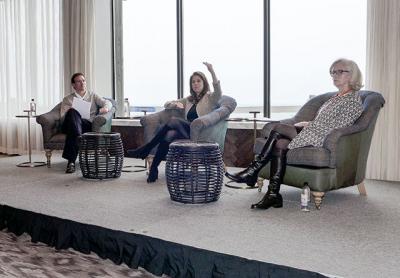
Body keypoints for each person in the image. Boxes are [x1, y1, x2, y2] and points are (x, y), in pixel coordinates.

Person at [225, 58, 364, 210]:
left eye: (340, 71)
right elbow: (323, 119)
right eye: (333, 72)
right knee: (280, 143)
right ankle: (273, 195)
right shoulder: (335, 97)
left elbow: (339, 126)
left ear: (352, 75)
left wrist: (308, 125)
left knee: (278, 128)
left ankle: (252, 171)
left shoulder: (353, 100)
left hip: (321, 136)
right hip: (313, 130)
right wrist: (308, 124)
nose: (335, 75)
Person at [127, 62, 222, 183]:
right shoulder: (188, 100)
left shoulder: (210, 98)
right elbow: (167, 104)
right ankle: (154, 169)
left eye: (198, 81)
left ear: (204, 83)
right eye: (193, 82)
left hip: (200, 132)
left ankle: (146, 149)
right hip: (186, 131)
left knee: (173, 121)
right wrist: (174, 104)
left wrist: (211, 70)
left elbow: (218, 91)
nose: (196, 84)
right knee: (168, 135)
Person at [60, 73, 112, 173]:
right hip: (70, 124)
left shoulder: (93, 95)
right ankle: (78, 135)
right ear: (73, 85)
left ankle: (71, 162)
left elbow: (108, 102)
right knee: (72, 113)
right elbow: (62, 118)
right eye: (79, 81)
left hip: (86, 124)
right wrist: (70, 112)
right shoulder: (67, 99)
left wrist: (105, 108)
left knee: (73, 133)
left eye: (83, 80)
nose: (82, 83)